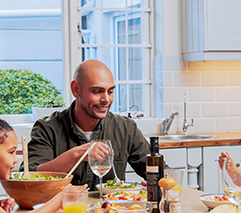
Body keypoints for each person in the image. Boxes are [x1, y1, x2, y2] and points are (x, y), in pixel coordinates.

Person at [26, 59, 150, 189]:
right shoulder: (47, 129)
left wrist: (158, 185)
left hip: (111, 209)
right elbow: (30, 179)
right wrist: (76, 154)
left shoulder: (126, 128)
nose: (106, 100)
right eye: (97, 91)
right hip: (65, 209)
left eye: (110, 91)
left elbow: (159, 172)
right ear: (76, 89)